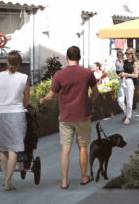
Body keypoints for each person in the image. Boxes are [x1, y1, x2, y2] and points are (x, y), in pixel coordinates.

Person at [39, 46, 99, 189]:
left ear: (67, 57)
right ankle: (84, 178)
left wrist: (42, 100)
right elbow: (96, 93)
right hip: (83, 116)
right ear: (79, 57)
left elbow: (51, 95)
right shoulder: (87, 73)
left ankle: (64, 181)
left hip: (65, 117)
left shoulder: (59, 74)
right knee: (83, 147)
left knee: (65, 149)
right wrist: (90, 101)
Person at [0, 51, 30, 191]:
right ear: (19, 63)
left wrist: (2, 106)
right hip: (17, 115)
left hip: (0, 114)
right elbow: (26, 99)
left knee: (3, 149)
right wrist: (21, 106)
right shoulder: (24, 77)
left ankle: (5, 179)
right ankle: (8, 181)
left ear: (7, 62)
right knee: (14, 148)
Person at [118, 48, 139, 124]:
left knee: (129, 102)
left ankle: (127, 117)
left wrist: (126, 74)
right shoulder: (124, 62)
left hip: (129, 82)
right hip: (122, 81)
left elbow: (136, 75)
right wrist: (120, 73)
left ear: (132, 54)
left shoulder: (135, 63)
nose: (126, 55)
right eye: (126, 53)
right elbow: (120, 70)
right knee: (120, 100)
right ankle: (126, 114)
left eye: (128, 53)